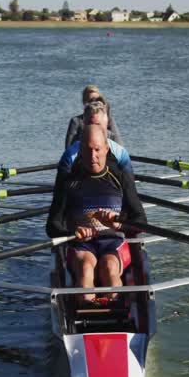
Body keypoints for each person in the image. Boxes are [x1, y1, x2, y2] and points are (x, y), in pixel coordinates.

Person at [47, 121, 147, 301]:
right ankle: (88, 306)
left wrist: (118, 223)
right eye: (87, 150)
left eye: (97, 150)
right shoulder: (68, 180)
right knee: (86, 267)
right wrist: (73, 232)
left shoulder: (120, 176)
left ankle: (116, 309)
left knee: (108, 267)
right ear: (80, 152)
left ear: (106, 149)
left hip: (113, 241)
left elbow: (141, 221)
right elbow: (52, 226)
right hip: (81, 244)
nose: (93, 156)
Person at [59, 100, 132, 174]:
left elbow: (128, 184)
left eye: (98, 125)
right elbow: (61, 184)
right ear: (84, 125)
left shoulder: (121, 154)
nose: (94, 129)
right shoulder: (70, 154)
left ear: (106, 125)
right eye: (90, 124)